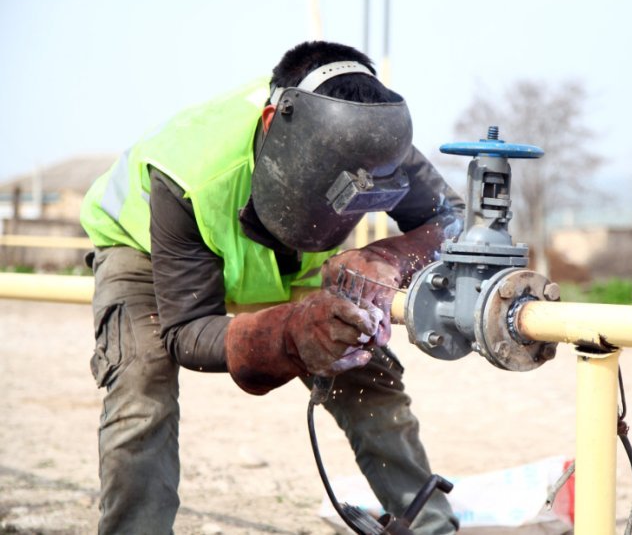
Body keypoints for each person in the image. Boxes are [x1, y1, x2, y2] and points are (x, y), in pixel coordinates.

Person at [80, 40, 464, 534]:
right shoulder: (192, 170)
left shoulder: (374, 143)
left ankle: (431, 527)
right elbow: (188, 331)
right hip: (146, 253)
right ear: (271, 128)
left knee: (366, 378)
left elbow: (454, 223)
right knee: (142, 391)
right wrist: (289, 335)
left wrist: (386, 257)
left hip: (293, 266)